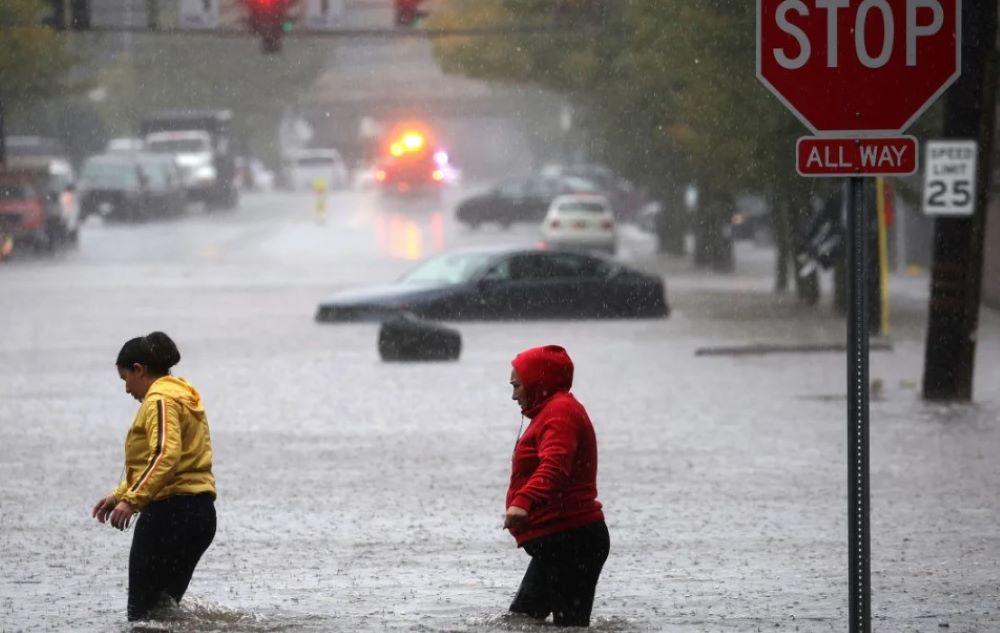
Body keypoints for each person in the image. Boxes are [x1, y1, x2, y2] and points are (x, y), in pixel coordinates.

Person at [91, 331, 217, 621]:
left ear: (139, 369)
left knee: (142, 616)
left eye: (125, 380)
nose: (127, 390)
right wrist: (119, 494)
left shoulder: (160, 400)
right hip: (199, 515)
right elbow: (172, 459)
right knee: (164, 614)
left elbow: (164, 455)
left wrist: (132, 501)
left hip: (169, 516)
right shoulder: (184, 394)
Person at [504, 345, 610, 627]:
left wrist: (523, 501)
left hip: (573, 540)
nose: (513, 395)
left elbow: (555, 465)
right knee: (521, 622)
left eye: (517, 385)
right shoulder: (553, 410)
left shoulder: (560, 412)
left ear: (538, 381)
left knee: (560, 626)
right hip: (563, 540)